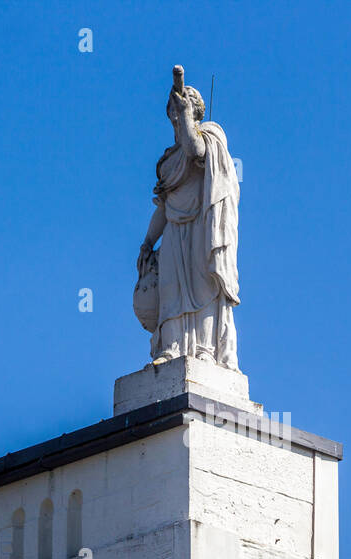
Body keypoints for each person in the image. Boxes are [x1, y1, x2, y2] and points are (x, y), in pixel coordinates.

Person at [136, 74, 241, 369]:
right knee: (171, 290)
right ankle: (171, 347)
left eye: (180, 114)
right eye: (173, 116)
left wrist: (186, 116)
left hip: (201, 226)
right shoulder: (169, 160)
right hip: (173, 229)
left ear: (193, 113)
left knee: (202, 286)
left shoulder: (209, 136)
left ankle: (206, 350)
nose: (175, 122)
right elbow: (164, 205)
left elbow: (195, 150)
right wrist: (147, 241)